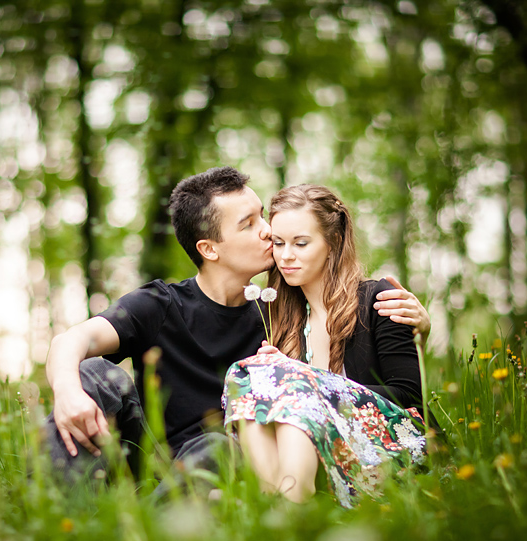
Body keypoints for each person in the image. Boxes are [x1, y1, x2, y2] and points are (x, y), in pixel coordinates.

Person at [44, 167, 429, 484]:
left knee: (219, 447)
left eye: (263, 215)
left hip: (227, 464)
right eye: (249, 224)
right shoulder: (160, 304)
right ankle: (60, 516)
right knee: (94, 373)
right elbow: (72, 339)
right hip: (156, 462)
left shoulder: (275, 317)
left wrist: (419, 332)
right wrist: (66, 391)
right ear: (209, 249)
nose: (267, 231)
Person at [223, 184, 428, 508]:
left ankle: (291, 507)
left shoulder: (378, 299)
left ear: (333, 243)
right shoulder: (276, 316)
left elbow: (409, 396)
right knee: (245, 374)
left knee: (297, 391)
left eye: (301, 243)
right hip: (312, 448)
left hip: (391, 446)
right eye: (278, 243)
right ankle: (275, 504)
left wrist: (309, 382)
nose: (286, 255)